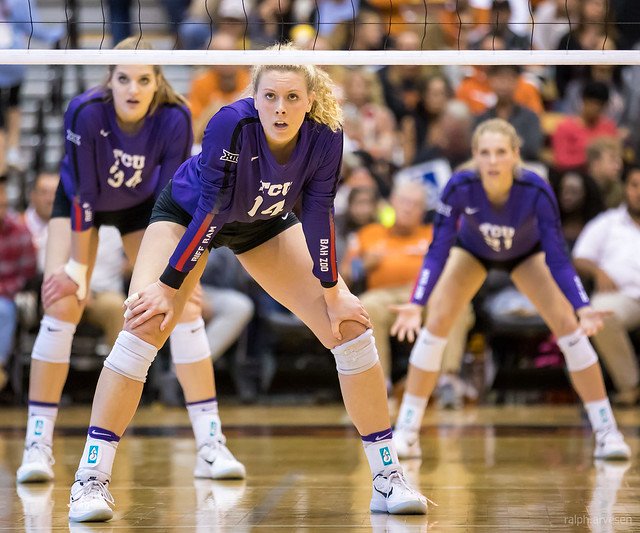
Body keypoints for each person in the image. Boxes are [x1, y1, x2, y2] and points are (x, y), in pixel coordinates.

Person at [67, 45, 428, 522]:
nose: (280, 108)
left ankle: (386, 477)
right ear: (254, 97)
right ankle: (90, 480)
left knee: (350, 329)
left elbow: (318, 212)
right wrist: (169, 285)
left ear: (310, 99)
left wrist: (333, 289)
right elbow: (212, 209)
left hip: (264, 223)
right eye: (271, 96)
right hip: (189, 217)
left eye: (292, 97)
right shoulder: (230, 124)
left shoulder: (326, 136)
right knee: (144, 324)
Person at [16, 38, 244, 486]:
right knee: (63, 302)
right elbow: (82, 197)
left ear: (158, 80)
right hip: (82, 204)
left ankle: (210, 444)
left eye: (144, 79)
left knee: (182, 308)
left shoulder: (175, 116)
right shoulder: (86, 111)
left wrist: (177, 274)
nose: (133, 89)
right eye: (124, 78)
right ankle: (37, 444)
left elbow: (174, 196)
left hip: (144, 208)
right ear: (110, 79)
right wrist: (77, 272)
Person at [389, 118, 631, 462]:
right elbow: (438, 249)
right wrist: (416, 302)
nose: (492, 161)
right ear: (474, 155)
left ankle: (607, 432)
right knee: (437, 322)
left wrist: (582, 305)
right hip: (472, 252)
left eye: (500, 152)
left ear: (515, 154)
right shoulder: (460, 185)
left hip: (525, 255)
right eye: (485, 153)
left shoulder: (536, 189)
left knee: (568, 327)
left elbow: (559, 256)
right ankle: (407, 431)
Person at [573, 166, 640, 406]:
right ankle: (629, 386)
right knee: (600, 312)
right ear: (625, 189)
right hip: (623, 297)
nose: (639, 192)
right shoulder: (607, 222)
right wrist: (597, 271)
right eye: (634, 185)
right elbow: (580, 257)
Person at [0, 176, 37, 391]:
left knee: (2, 310)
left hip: (7, 298)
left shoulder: (20, 231)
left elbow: (27, 277)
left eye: (3, 205)